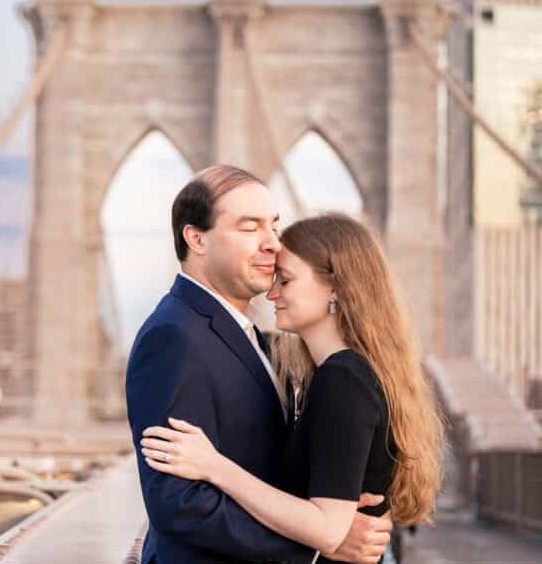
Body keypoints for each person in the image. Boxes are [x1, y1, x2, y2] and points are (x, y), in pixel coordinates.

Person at [126, 165, 393, 564]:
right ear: (196, 238)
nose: (272, 243)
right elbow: (179, 503)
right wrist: (320, 543)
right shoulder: (175, 336)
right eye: (250, 228)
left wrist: (329, 516)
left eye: (274, 225)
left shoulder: (259, 340)